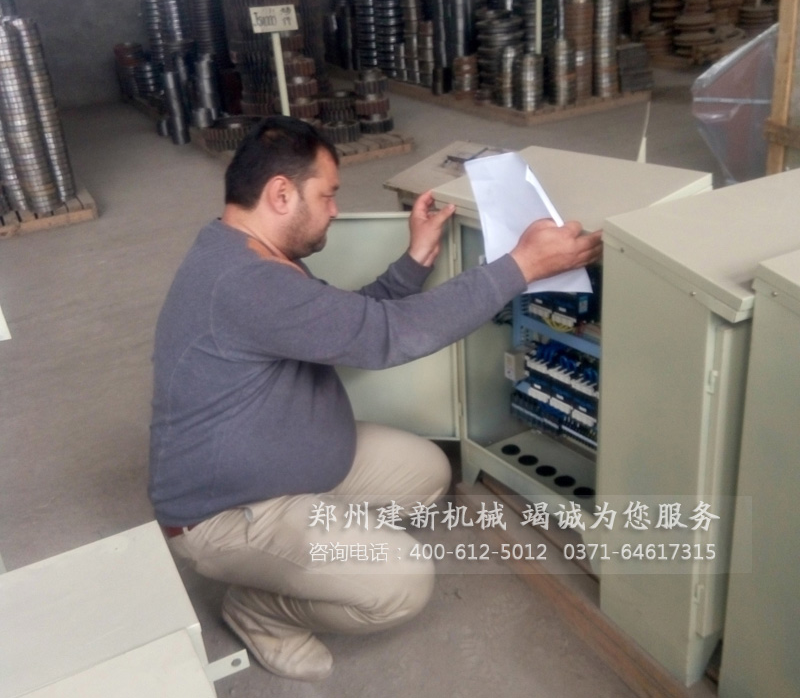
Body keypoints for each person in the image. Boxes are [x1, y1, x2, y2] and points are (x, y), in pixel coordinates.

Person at [148, 116, 602, 681]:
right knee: (401, 584)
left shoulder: (241, 250)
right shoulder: (246, 282)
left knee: (428, 474)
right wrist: (523, 266)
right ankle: (259, 609)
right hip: (226, 513)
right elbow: (385, 336)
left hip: (293, 461)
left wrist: (414, 261)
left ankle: (312, 546)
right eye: (328, 195)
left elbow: (345, 323)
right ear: (281, 194)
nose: (336, 209)